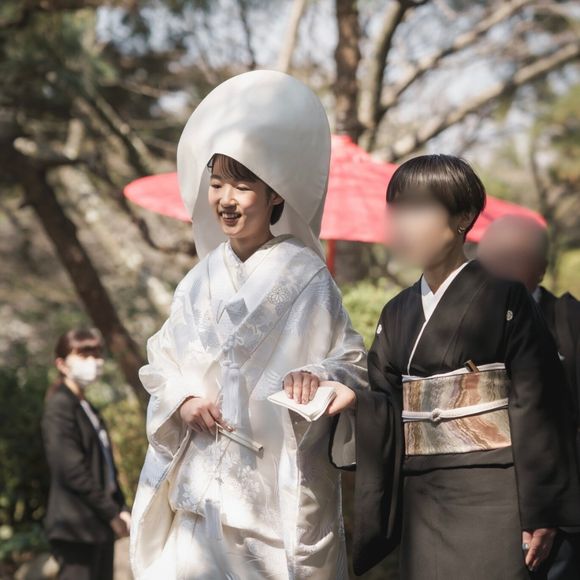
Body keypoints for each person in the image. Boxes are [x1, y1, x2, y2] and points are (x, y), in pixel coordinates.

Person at [130, 70, 366, 580]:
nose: (226, 199)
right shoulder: (197, 281)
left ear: (275, 195)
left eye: (243, 185)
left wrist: (320, 377)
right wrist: (183, 400)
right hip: (201, 486)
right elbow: (162, 362)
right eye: (217, 184)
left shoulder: (308, 276)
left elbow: (350, 361)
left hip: (274, 492)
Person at [336, 155, 580, 579]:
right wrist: (355, 401)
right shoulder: (396, 312)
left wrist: (542, 508)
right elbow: (387, 404)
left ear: (464, 217)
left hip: (494, 494)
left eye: (419, 209)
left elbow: (537, 403)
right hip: (422, 496)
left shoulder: (505, 297)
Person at [478, 214, 580, 580]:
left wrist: (551, 508)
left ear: (540, 268)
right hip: (480, 502)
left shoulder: (569, 320)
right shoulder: (467, 321)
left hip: (559, 506)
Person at [42, 328, 131, 580]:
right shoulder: (60, 405)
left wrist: (121, 507)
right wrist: (111, 512)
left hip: (99, 526)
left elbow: (105, 466)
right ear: (62, 364)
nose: (94, 361)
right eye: (83, 355)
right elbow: (70, 469)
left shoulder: (87, 407)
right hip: (76, 527)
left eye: (97, 354)